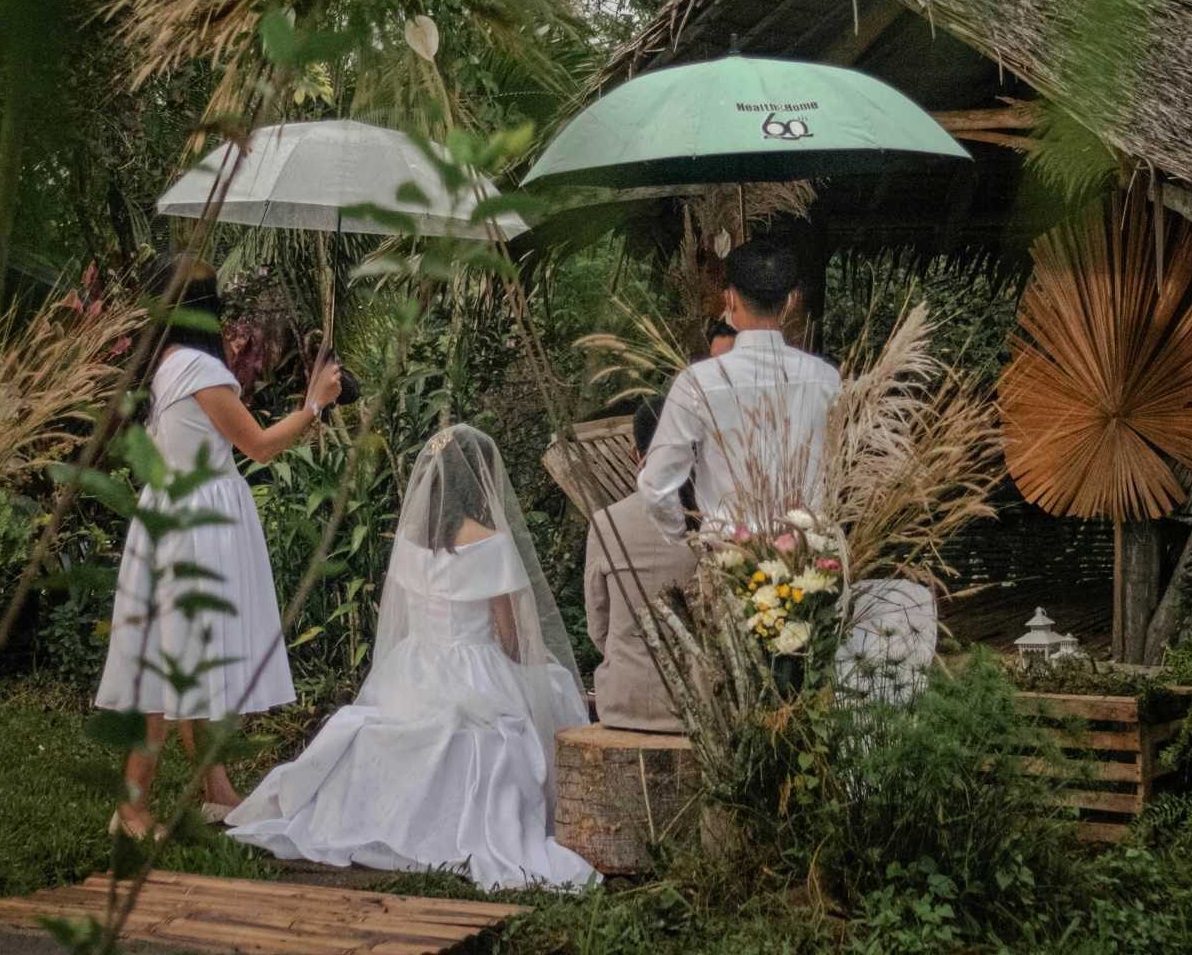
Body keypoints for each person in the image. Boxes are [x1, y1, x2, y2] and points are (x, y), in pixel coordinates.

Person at [227, 425, 597, 891]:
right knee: (557, 685)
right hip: (475, 668)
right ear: (479, 481)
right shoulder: (489, 542)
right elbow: (509, 639)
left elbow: (405, 614)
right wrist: (531, 663)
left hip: (414, 667)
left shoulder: (410, 539)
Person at [95, 255, 341, 839]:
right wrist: (314, 403)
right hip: (199, 522)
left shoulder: (160, 365)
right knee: (172, 665)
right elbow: (257, 445)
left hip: (169, 514)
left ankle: (217, 790)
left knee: (185, 657)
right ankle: (132, 808)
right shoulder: (200, 371)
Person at [639, 237, 840, 540]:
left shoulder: (697, 383)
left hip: (730, 559)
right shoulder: (826, 379)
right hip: (810, 558)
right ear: (791, 300)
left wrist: (683, 537)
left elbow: (656, 485)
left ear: (730, 299)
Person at [583, 396, 696, 732]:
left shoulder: (606, 522)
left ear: (635, 454)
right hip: (698, 707)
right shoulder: (713, 524)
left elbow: (598, 626)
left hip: (621, 701)